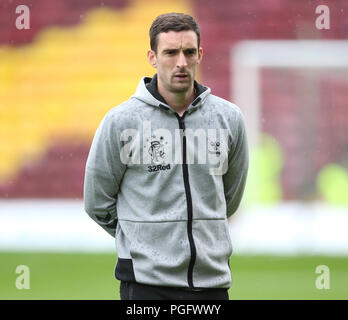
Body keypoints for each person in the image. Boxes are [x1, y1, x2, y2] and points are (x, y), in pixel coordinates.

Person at [84, 12, 249, 300]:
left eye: (188, 52)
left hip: (211, 284)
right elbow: (97, 201)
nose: (181, 62)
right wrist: (141, 241)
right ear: (152, 57)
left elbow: (229, 198)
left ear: (200, 54)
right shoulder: (122, 121)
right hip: (146, 286)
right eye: (171, 52)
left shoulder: (229, 119)